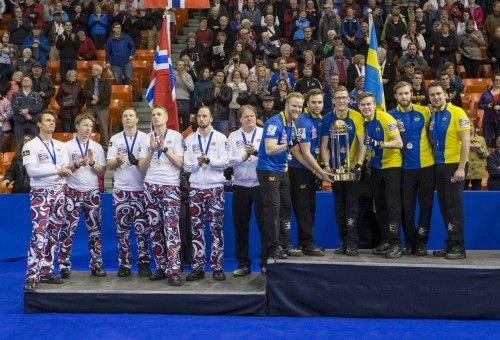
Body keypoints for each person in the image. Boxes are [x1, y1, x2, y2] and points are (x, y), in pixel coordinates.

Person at [22, 110, 71, 290]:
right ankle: (32, 274)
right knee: (39, 234)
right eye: (48, 120)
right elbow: (32, 172)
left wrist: (77, 164)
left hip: (59, 192)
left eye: (53, 120)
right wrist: (56, 170)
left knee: (54, 234)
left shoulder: (61, 145)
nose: (52, 123)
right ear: (39, 124)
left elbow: (65, 168)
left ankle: (47, 270)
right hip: (40, 193)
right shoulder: (31, 146)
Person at [138, 106, 184, 286]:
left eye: (159, 114)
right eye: (153, 115)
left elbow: (181, 163)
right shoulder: (146, 138)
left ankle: (173, 269)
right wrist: (151, 150)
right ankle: (160, 266)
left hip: (170, 186)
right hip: (150, 186)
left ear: (166, 117)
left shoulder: (176, 136)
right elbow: (141, 167)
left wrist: (164, 149)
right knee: (154, 227)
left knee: (171, 229)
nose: (155, 117)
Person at [58, 113, 107, 278]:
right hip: (72, 191)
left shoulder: (97, 147)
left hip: (92, 192)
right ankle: (64, 265)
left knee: (95, 231)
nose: (88, 129)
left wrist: (92, 163)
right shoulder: (67, 147)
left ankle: (96, 264)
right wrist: (77, 164)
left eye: (90, 126)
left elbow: (102, 171)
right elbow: (64, 170)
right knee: (68, 230)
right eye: (85, 125)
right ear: (77, 126)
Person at [388, 82, 435, 256]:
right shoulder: (390, 116)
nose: (404, 97)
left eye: (407, 93)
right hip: (404, 169)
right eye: (400, 94)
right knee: (407, 209)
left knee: (426, 207)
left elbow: (433, 135)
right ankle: (409, 242)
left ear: (411, 94)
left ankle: (422, 243)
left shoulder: (425, 112)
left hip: (427, 167)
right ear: (395, 96)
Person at [256, 92, 304, 260]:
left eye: (300, 106)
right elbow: (269, 149)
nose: (297, 109)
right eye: (294, 105)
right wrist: (290, 144)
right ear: (286, 105)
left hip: (283, 170)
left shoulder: (293, 125)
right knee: (273, 209)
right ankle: (274, 247)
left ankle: (285, 244)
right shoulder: (274, 123)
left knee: (285, 208)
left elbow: (289, 151)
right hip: (268, 170)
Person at [184, 106, 229, 281]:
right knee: (196, 229)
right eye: (199, 116)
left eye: (205, 116)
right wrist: (198, 163)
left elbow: (225, 162)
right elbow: (186, 166)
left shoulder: (220, 137)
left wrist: (209, 161)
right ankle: (198, 267)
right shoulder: (190, 140)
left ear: (210, 118)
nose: (201, 119)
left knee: (216, 228)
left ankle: (217, 267)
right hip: (195, 188)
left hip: (215, 187)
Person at [320, 85, 366, 255]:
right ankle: (343, 241)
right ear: (333, 100)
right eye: (338, 97)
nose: (341, 100)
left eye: (344, 97)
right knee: (339, 207)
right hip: (335, 170)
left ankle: (353, 243)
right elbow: (324, 146)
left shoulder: (357, 117)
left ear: (349, 99)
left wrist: (359, 164)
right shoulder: (327, 119)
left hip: (352, 170)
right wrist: (327, 165)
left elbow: (362, 145)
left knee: (352, 207)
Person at [428, 80, 470, 259]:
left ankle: (459, 248)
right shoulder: (434, 115)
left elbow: (466, 141)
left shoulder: (457, 112)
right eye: (432, 95)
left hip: (454, 166)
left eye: (438, 93)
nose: (436, 97)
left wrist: (461, 168)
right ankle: (450, 243)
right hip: (440, 166)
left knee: (453, 206)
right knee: (445, 207)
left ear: (446, 94)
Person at [107, 107, 151, 277]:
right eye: (125, 116)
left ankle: (144, 262)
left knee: (142, 229)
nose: (127, 118)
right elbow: (109, 164)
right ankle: (124, 264)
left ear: (137, 119)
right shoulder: (115, 139)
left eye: (131, 115)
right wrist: (117, 161)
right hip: (121, 190)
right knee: (122, 230)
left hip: (140, 189)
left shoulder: (146, 139)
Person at [288, 89, 331, 256]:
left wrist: (322, 166)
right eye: (314, 102)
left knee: (310, 207)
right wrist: (319, 171)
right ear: (307, 103)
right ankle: (307, 243)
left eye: (320, 102)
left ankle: (303, 242)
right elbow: (304, 152)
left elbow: (319, 148)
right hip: (299, 170)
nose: (317, 105)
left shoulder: (318, 120)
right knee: (304, 208)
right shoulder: (304, 122)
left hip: (310, 170)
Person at [360, 92, 404, 258]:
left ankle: (396, 244)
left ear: (374, 105)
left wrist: (379, 144)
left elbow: (399, 143)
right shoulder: (363, 121)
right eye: (363, 105)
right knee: (379, 205)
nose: (366, 107)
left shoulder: (386, 119)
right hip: (376, 168)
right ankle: (385, 240)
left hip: (392, 167)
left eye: (369, 104)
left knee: (392, 205)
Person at [227, 105, 265, 275]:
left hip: (260, 185)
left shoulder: (264, 133)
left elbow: (270, 156)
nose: (249, 119)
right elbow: (228, 161)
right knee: (240, 227)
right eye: (246, 116)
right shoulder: (233, 136)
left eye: (252, 116)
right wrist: (243, 156)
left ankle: (265, 262)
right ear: (240, 119)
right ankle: (243, 264)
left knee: (264, 226)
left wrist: (255, 153)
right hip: (240, 185)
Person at [83, 64, 111, 150]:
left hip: (102, 106)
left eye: (95, 70)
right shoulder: (88, 81)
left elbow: (107, 93)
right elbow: (85, 91)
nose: (92, 71)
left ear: (100, 71)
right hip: (91, 105)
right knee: (90, 127)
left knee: (103, 127)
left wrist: (97, 98)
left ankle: (105, 146)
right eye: (92, 69)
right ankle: (92, 145)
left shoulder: (106, 81)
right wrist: (92, 96)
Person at [11, 76, 43, 144]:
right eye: (24, 80)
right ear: (22, 83)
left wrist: (28, 110)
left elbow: (39, 107)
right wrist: (25, 114)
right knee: (19, 144)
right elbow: (14, 107)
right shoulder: (15, 95)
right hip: (19, 123)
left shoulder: (36, 95)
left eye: (28, 80)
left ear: (31, 84)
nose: (26, 81)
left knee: (35, 144)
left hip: (33, 123)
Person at [202, 69, 232, 135]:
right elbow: (205, 102)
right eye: (219, 76)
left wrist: (219, 95)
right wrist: (214, 96)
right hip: (211, 118)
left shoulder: (228, 88)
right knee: (211, 137)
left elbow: (227, 101)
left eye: (222, 76)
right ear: (214, 77)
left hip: (223, 118)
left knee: (223, 138)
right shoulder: (208, 88)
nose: (221, 77)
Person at [465, 120, 489, 190]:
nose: (470, 127)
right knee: (462, 193)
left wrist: (479, 150)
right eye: (468, 126)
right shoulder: (460, 139)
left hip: (477, 171)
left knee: (477, 192)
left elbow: (486, 155)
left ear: (474, 127)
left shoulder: (481, 139)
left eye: (471, 125)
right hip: (465, 170)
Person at [478, 72, 500, 147]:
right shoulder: (486, 93)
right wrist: (487, 105)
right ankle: (487, 158)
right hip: (488, 120)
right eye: (496, 80)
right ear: (493, 81)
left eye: (499, 80)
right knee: (486, 143)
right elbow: (479, 104)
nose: (498, 82)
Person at [174, 60, 194, 131]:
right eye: (180, 65)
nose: (182, 66)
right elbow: (169, 87)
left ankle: (187, 139)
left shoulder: (188, 75)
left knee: (186, 122)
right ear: (176, 66)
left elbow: (192, 88)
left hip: (185, 100)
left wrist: (183, 79)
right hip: (175, 100)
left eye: (183, 65)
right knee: (175, 122)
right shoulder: (172, 75)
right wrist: (173, 79)